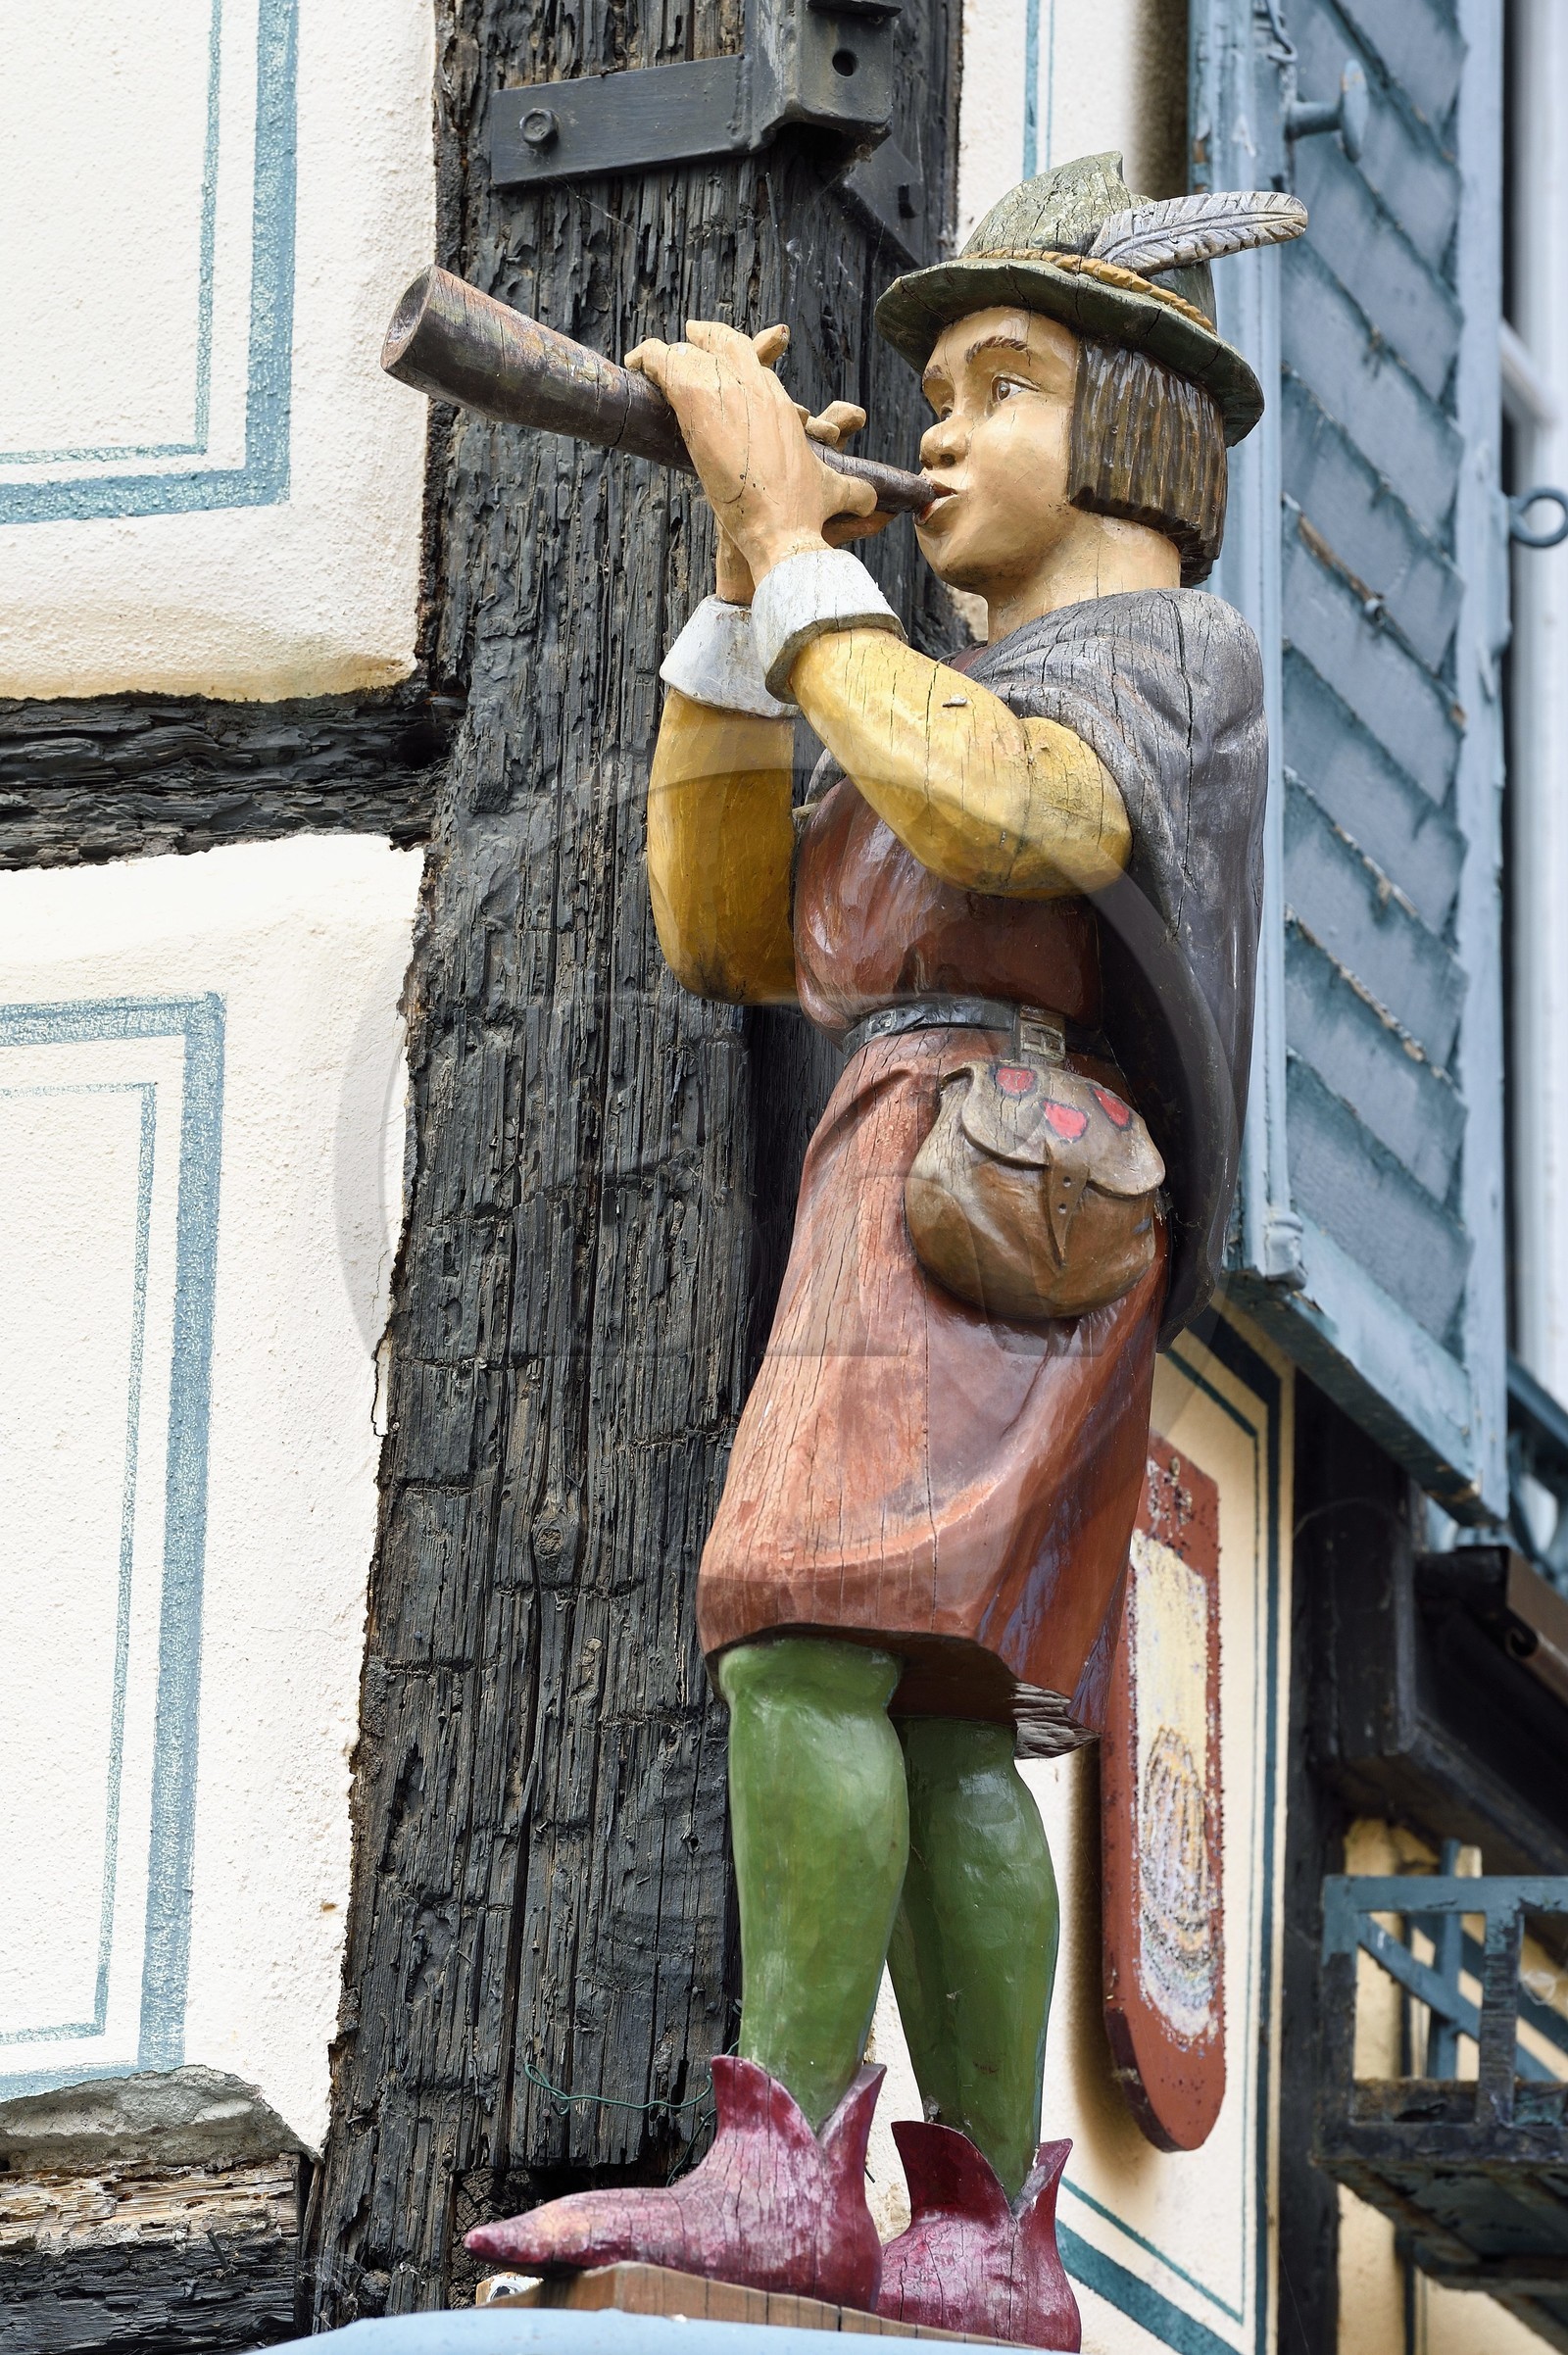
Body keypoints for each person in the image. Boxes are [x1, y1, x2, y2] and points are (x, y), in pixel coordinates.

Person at [468, 153, 1298, 2347]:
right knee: (939, 1705)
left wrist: (786, 549)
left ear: (1131, 427)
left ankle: (782, 2157)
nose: (929, 430)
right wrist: (738, 612)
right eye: (929, 387)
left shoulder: (1156, 658)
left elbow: (1010, 812)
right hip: (934, 1153)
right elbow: (730, 916)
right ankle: (972, 2220)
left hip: (988, 1172)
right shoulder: (940, 683)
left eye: (996, 384)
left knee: (805, 1622)